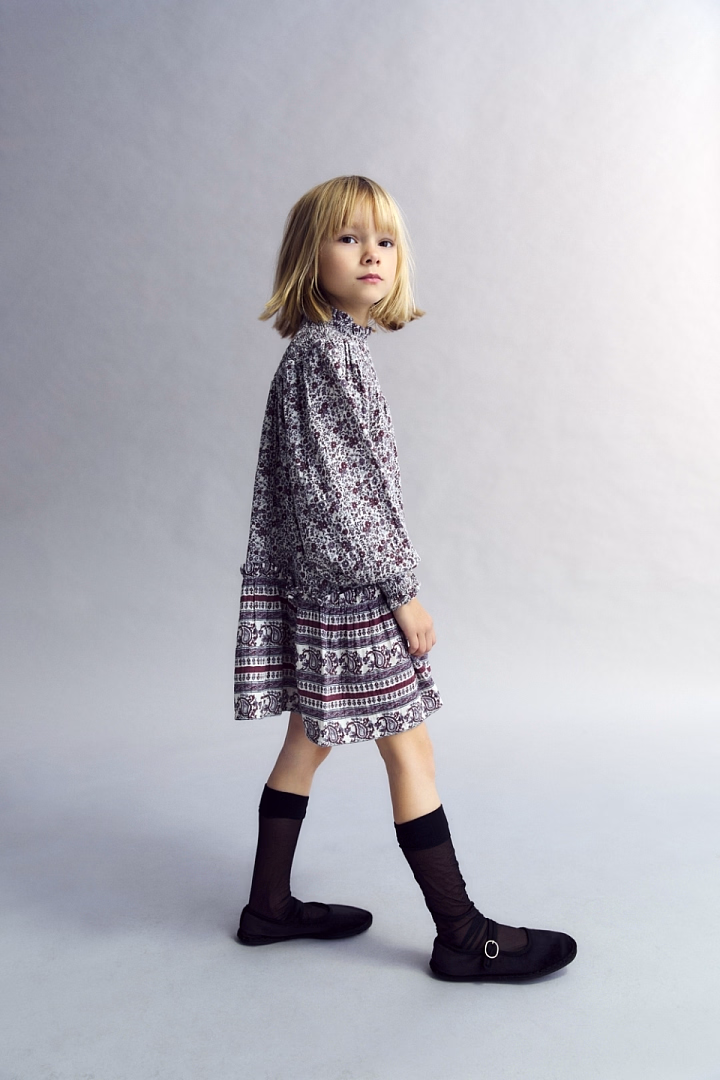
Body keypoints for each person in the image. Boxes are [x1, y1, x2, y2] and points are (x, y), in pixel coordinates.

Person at [233, 175, 576, 980]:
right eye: (349, 238)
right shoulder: (327, 355)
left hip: (325, 588)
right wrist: (401, 592)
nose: (372, 254)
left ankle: (267, 906)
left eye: (384, 240)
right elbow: (341, 498)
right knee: (410, 749)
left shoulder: (331, 349)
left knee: (310, 739)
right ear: (310, 256)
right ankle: (462, 935)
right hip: (352, 592)